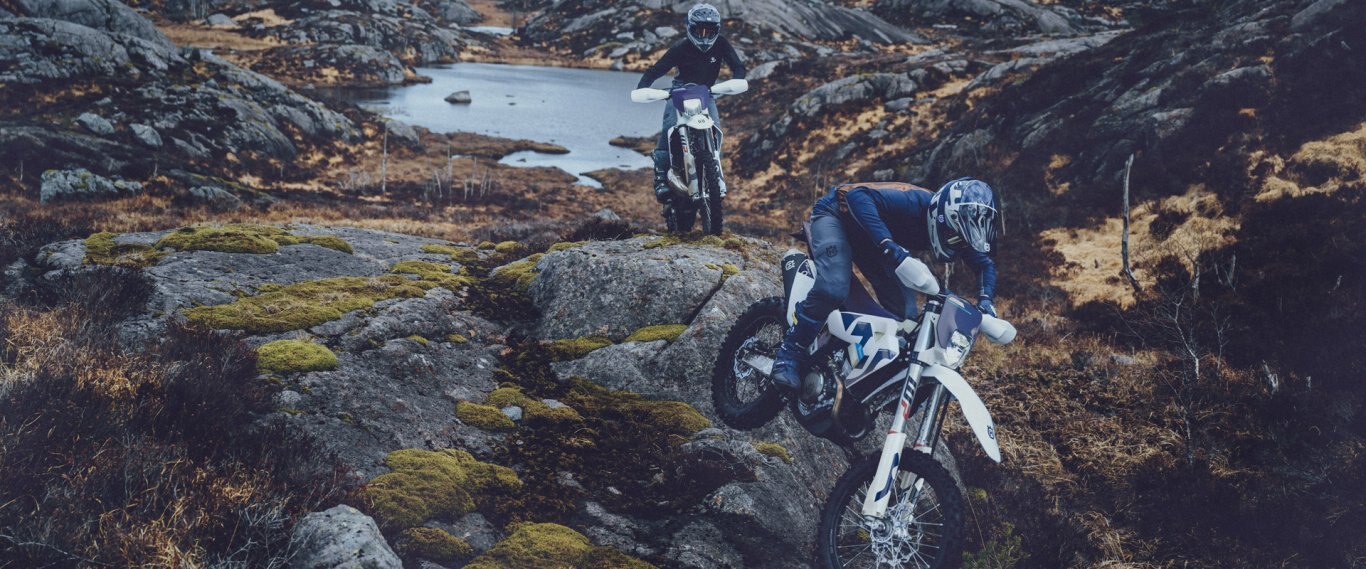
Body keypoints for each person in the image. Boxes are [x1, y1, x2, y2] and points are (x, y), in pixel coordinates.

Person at [770, 178, 1001, 391]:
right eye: (953, 237)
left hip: (874, 239)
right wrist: (889, 245)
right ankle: (789, 353)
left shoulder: (958, 229)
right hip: (837, 216)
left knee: (905, 317)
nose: (955, 244)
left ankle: (856, 367)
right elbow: (856, 196)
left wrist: (986, 301)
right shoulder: (914, 202)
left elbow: (984, 265)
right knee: (833, 288)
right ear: (942, 216)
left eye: (960, 241)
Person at [636, 3, 746, 217]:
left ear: (716, 30)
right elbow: (656, 70)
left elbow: (738, 67)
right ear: (690, 28)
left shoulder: (721, 44)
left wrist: (737, 82)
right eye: (699, 30)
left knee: (716, 132)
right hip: (679, 93)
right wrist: (642, 89)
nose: (704, 36)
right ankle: (661, 179)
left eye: (709, 31)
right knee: (669, 129)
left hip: (706, 93)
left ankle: (714, 175)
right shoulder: (681, 47)